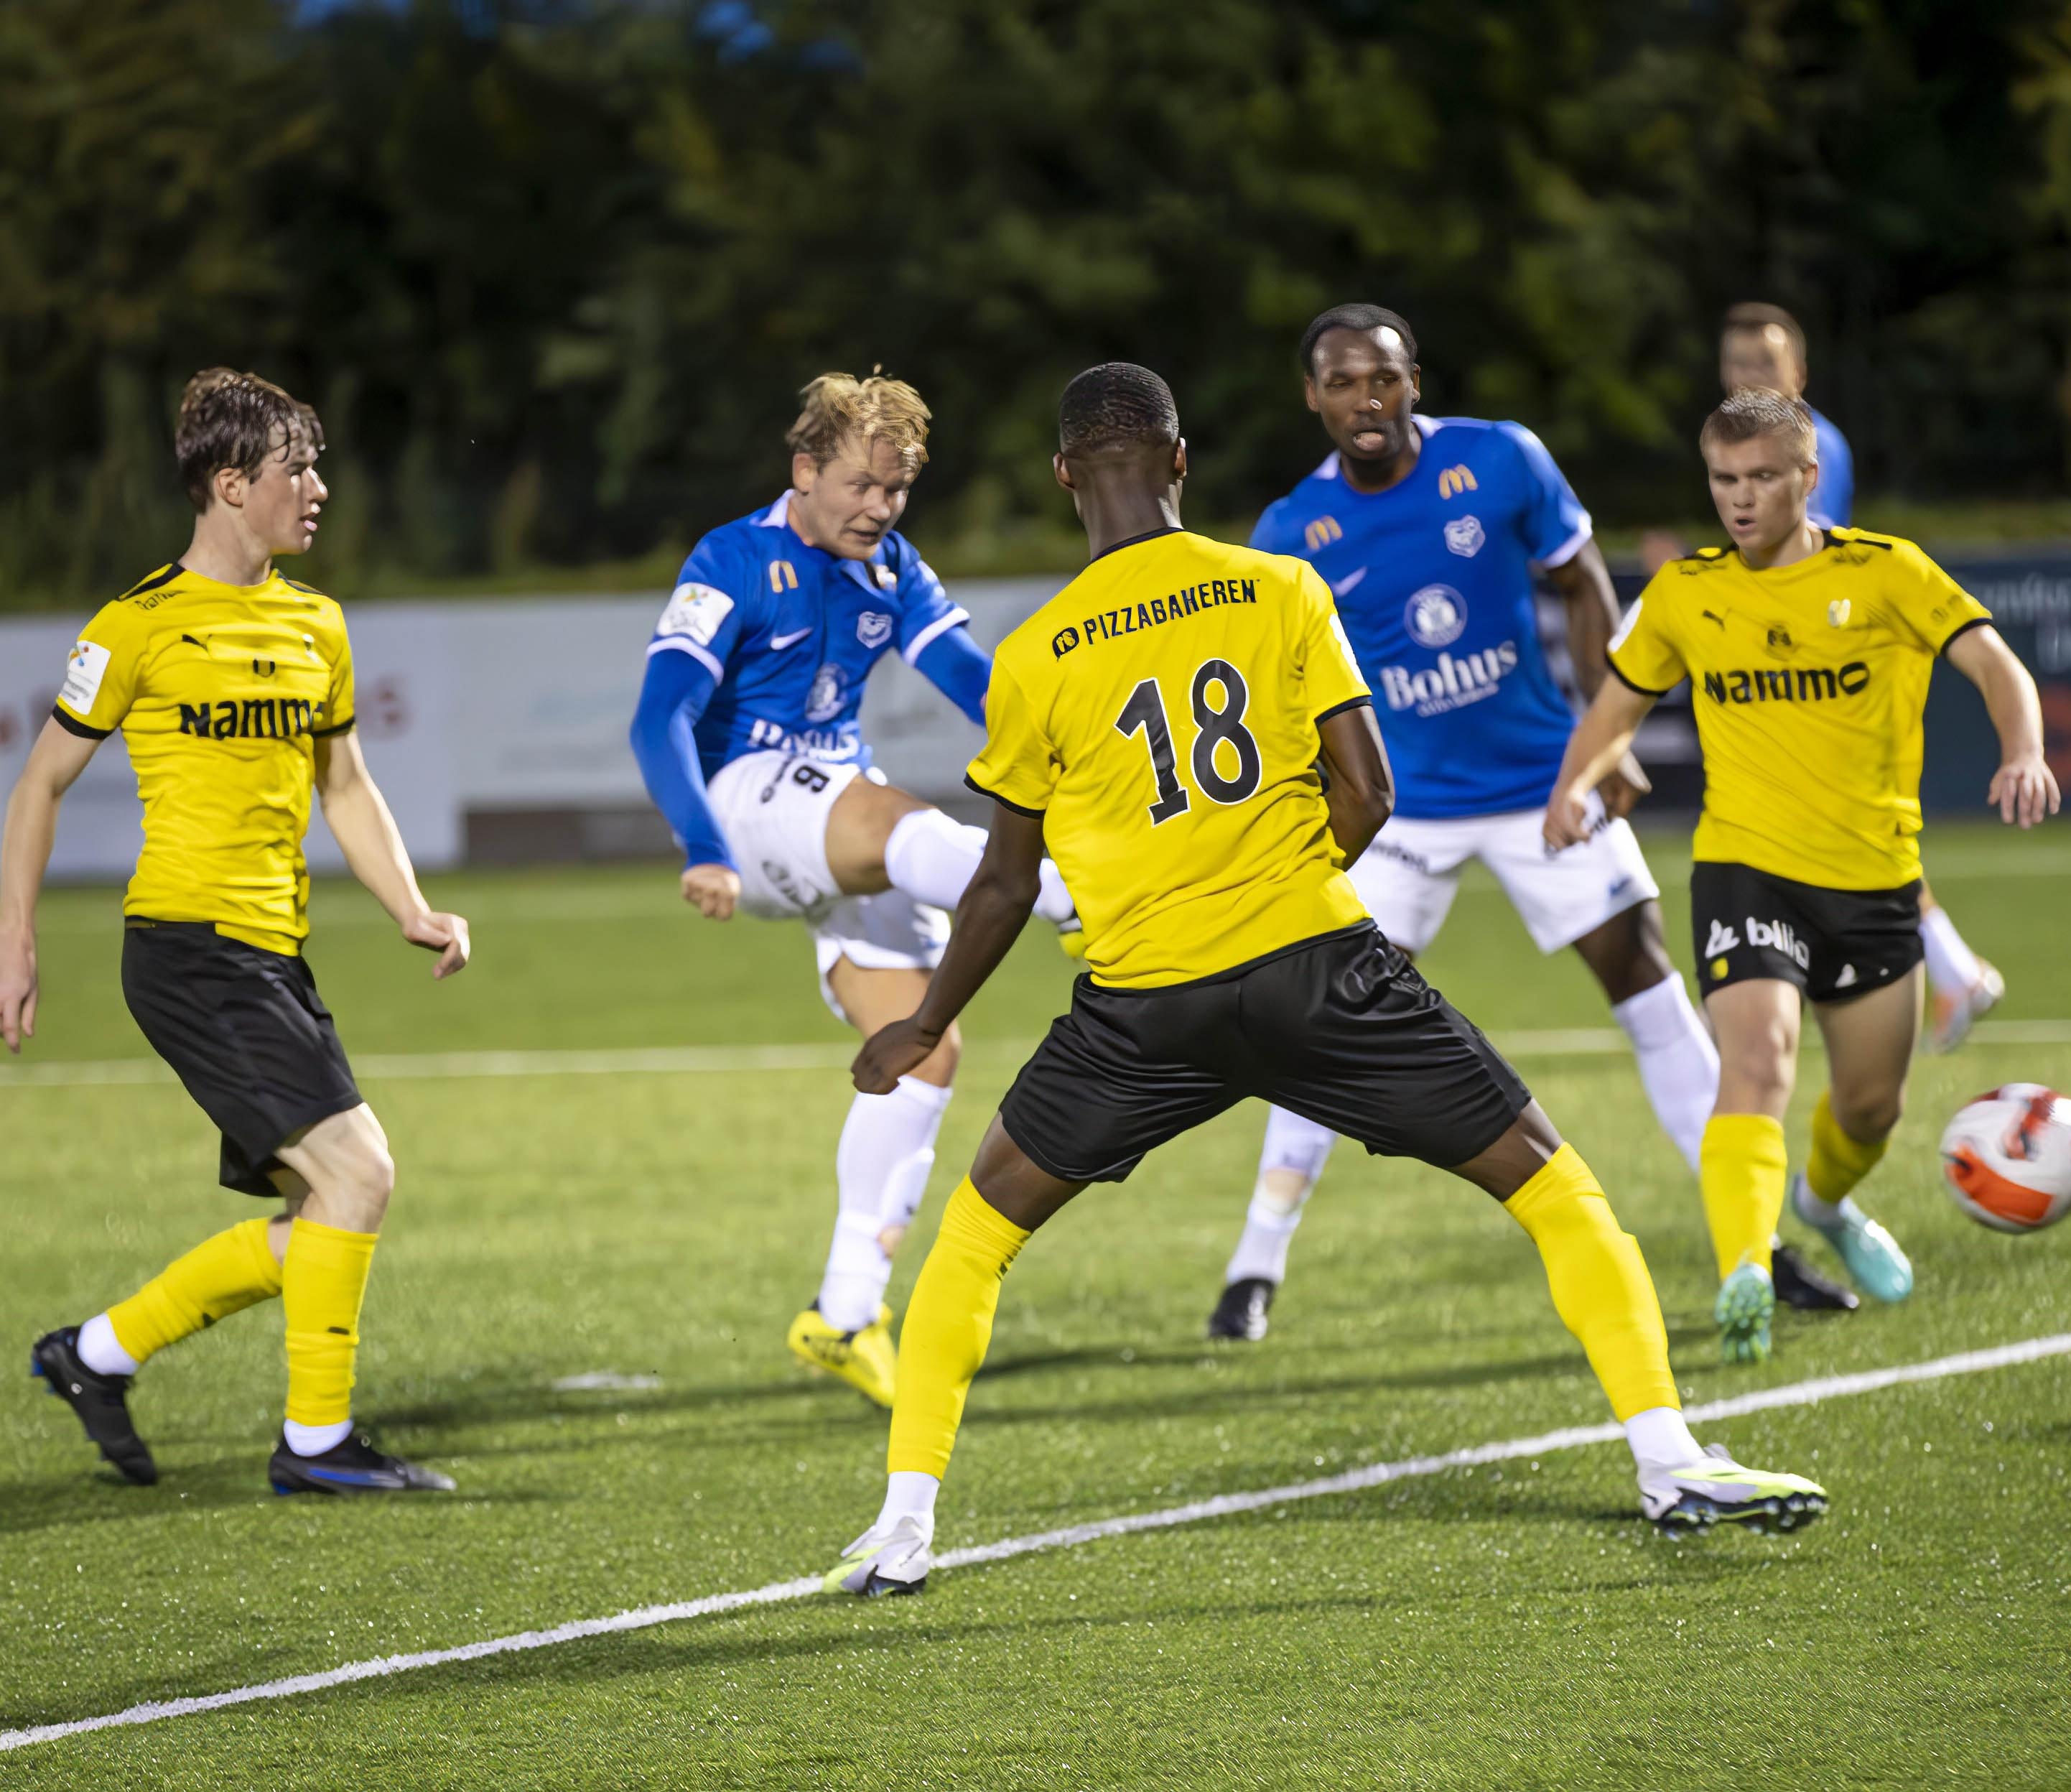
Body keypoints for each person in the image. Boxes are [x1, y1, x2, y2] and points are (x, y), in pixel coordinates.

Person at [820, 363, 1825, 1597]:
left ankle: (908, 1527)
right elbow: (1371, 795)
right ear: (1182, 462)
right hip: (1320, 970)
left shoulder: (1032, 657)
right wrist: (1282, 896)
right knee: (1558, 1194)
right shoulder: (1281, 586)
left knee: (973, 1241)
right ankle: (1669, 1458)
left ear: (1065, 476)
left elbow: (999, 883)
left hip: (1144, 1009)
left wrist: (927, 1022)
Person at [1204, 303, 1847, 1340]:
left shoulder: (1502, 461)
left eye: (1383, 378)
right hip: (1401, 811)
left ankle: (1755, 1247)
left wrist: (1604, 738)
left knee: (1647, 981)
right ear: (1311, 396)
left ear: (1417, 378)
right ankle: (1253, 1267)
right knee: (1323, 1013)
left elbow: (1583, 582)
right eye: (1341, 383)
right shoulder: (1290, 533)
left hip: (1542, 784)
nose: (1365, 402)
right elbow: (1285, 690)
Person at [0, 368, 466, 1495]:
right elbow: (38, 785)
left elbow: (345, 784)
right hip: (188, 948)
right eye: (299, 468)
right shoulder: (137, 624)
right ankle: (316, 1445)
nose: (320, 488)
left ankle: (94, 1354)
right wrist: (15, 944)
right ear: (232, 482)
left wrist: (410, 906)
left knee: (321, 1216)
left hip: (273, 954)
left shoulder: (316, 623)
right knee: (362, 1172)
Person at [1554, 389, 2058, 1365]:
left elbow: (1996, 664)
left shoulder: (1886, 572)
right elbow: (1618, 699)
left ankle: (1825, 1202)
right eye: (1723, 479)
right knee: (1758, 1062)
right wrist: (1576, 779)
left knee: (1872, 1106)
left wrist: (2023, 748)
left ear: (1806, 477)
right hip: (1745, 868)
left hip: (1874, 882)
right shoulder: (1688, 591)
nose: (1739, 500)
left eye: (1761, 479)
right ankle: (1746, 1266)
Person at [628, 373, 1076, 1410]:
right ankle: (1080, 900)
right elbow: (661, 717)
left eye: (897, 491)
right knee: (891, 816)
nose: (879, 508)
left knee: (923, 1050)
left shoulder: (891, 566)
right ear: (804, 472)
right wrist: (700, 842)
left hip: (829, 808)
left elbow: (968, 674)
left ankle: (842, 1311)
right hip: (749, 800)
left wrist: (1055, 738)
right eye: (862, 487)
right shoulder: (731, 559)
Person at [1713, 304, 2007, 1054]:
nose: (1749, 378)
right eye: (1737, 365)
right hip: (1794, 675)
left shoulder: (1816, 448)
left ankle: (1934, 971)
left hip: (1830, 675)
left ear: (1798, 375)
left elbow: (1799, 562)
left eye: (1764, 365)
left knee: (1853, 833)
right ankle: (1951, 968)